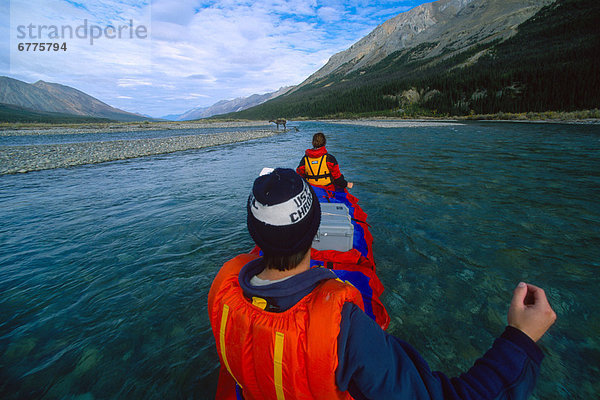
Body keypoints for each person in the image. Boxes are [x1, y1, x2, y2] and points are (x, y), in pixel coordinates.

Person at [208, 168, 556, 400]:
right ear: (316, 232)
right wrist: (520, 340)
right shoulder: (346, 328)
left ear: (255, 234)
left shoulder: (223, 295)